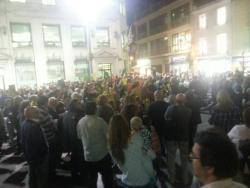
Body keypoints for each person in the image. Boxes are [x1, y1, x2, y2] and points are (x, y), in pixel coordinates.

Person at [108, 114, 156, 188]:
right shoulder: (137, 138)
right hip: (143, 180)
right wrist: (152, 174)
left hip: (127, 180)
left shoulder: (111, 145)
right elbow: (148, 160)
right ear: (126, 125)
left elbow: (120, 165)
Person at [77, 101, 113, 188]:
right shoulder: (100, 121)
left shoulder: (80, 121)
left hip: (88, 156)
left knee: (92, 179)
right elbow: (109, 136)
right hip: (102, 155)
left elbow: (79, 136)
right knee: (107, 178)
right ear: (94, 109)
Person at [164, 93, 192, 186]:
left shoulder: (170, 108)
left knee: (171, 159)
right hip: (184, 137)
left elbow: (165, 118)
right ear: (184, 101)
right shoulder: (188, 110)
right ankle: (185, 179)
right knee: (184, 159)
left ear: (176, 100)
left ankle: (171, 179)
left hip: (171, 137)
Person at [21, 106, 49, 188]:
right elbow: (39, 143)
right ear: (32, 114)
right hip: (38, 157)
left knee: (32, 176)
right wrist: (44, 154)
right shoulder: (35, 126)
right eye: (37, 112)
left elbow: (23, 141)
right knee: (41, 177)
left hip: (30, 155)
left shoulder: (24, 123)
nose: (39, 114)